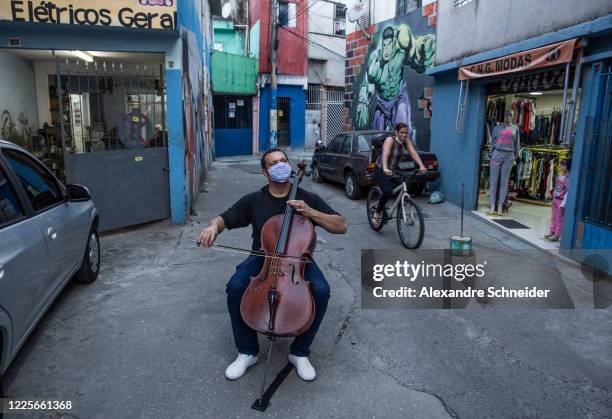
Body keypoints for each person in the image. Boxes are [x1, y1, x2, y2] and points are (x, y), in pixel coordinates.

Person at [197, 149, 347, 381]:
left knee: (321, 290)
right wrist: (212, 228)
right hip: (263, 257)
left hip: (298, 259)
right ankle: (247, 351)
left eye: (284, 161)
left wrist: (310, 212)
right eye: (275, 163)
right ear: (265, 173)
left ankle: (300, 352)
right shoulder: (255, 200)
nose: (281, 165)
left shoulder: (306, 198)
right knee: (235, 286)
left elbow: (341, 225)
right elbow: (224, 218)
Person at [372, 122, 427, 227]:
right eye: (402, 132)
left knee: (405, 187)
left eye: (406, 133)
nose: (404, 135)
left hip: (394, 170)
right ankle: (377, 212)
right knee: (388, 192)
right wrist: (385, 168)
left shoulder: (406, 141)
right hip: (381, 169)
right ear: (396, 132)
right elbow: (385, 154)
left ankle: (400, 210)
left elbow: (413, 153)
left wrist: (421, 165)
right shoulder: (390, 140)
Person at [488, 110, 520, 216]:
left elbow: (517, 145)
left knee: (504, 182)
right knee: (493, 181)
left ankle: (501, 205)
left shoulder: (515, 128)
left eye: (510, 114)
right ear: (504, 115)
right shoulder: (497, 128)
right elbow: (492, 142)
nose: (508, 116)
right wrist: (491, 154)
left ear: (513, 116)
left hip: (509, 156)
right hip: (497, 154)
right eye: (506, 114)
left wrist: (514, 157)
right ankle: (492, 205)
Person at [545, 158, 571, 242]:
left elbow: (568, 190)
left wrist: (564, 202)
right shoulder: (561, 175)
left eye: (564, 165)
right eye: (561, 165)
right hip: (555, 198)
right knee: (554, 216)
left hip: (561, 200)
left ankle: (557, 234)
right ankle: (552, 231)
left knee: (559, 218)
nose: (562, 167)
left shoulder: (569, 177)